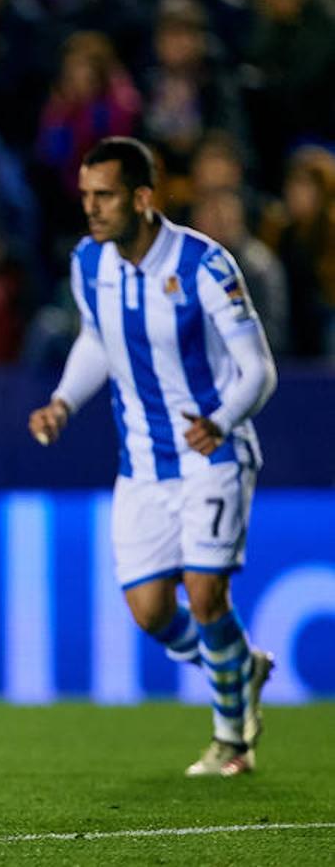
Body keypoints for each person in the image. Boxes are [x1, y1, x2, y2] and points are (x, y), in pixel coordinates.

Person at [28, 137, 277, 777]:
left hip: (213, 456)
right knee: (150, 612)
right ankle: (239, 666)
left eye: (104, 195)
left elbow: (259, 369)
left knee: (205, 594)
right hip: (141, 463)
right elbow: (96, 338)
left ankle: (232, 741)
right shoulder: (89, 263)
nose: (91, 209)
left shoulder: (204, 265)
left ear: (143, 198)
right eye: (85, 196)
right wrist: (62, 402)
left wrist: (219, 421)